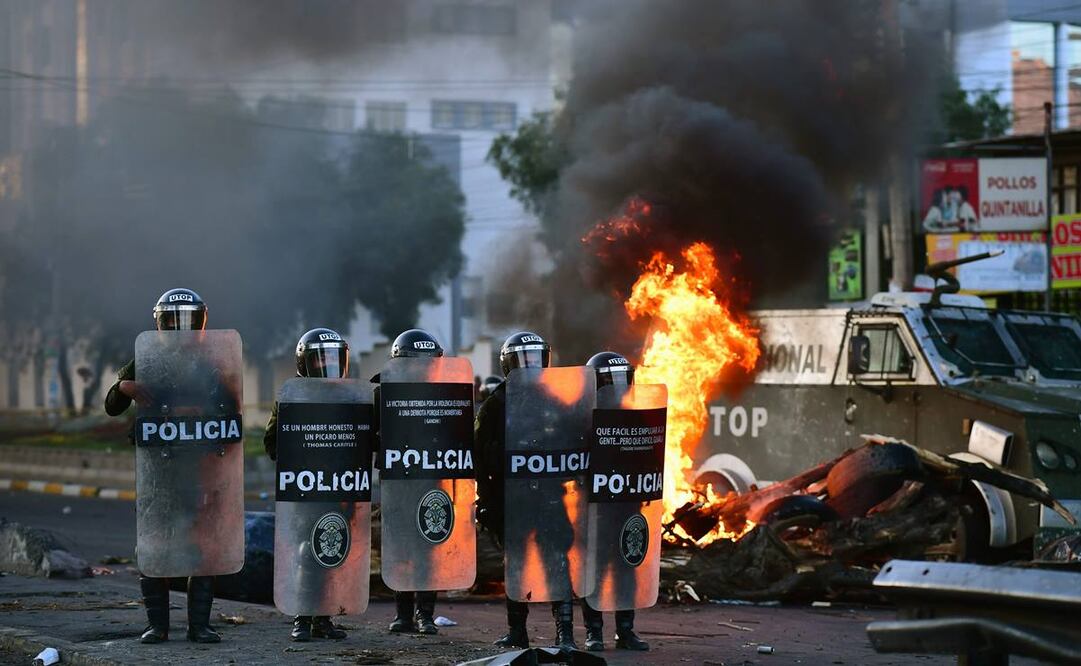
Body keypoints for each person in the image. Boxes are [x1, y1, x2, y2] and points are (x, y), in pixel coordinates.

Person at [103, 288, 220, 644]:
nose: (181, 329)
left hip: (197, 466)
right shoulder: (146, 356)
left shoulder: (214, 360)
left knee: (200, 545)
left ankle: (199, 625)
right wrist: (126, 386)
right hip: (156, 469)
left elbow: (231, 407)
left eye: (188, 321)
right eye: (174, 321)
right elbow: (111, 405)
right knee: (154, 545)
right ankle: (158, 625)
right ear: (161, 322)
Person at [475, 331, 578, 651]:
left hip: (549, 495)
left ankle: (565, 634)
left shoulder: (554, 398)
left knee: (558, 562)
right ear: (509, 365)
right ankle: (517, 631)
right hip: (513, 497)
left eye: (535, 358)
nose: (531, 365)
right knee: (516, 564)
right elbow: (479, 456)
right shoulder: (496, 404)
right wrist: (489, 501)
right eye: (524, 360)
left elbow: (573, 441)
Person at [263, 327, 350, 643]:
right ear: (306, 362)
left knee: (331, 551)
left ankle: (323, 620)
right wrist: (300, 455)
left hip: (338, 489)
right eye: (321, 358)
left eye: (332, 357)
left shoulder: (348, 396)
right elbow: (272, 442)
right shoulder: (292, 396)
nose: (328, 364)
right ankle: (301, 618)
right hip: (304, 489)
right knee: (303, 552)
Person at [372, 328, 443, 636]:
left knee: (429, 547)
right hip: (398, 481)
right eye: (416, 363)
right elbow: (365, 437)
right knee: (401, 547)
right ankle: (403, 615)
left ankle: (425, 615)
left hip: (432, 479)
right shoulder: (382, 394)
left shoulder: (447, 393)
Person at [579, 351, 650, 652]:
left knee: (626, 569)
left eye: (622, 379)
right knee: (594, 570)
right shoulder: (582, 415)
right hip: (593, 507)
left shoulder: (637, 415)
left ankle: (626, 631)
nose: (618, 387)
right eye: (611, 380)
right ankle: (594, 631)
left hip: (626, 505)